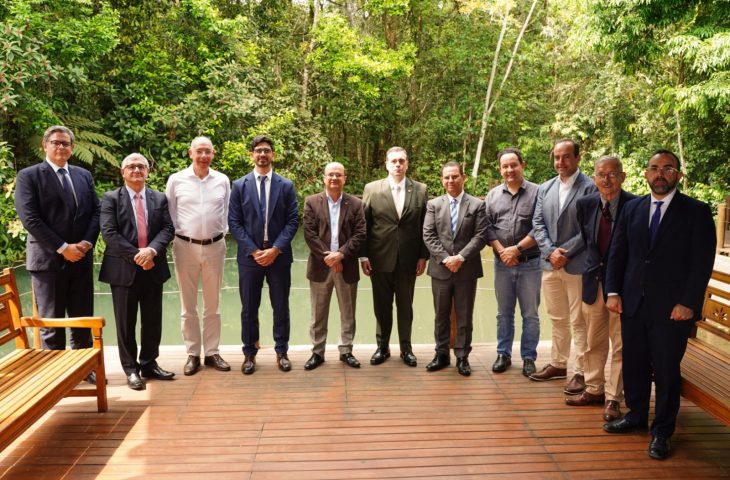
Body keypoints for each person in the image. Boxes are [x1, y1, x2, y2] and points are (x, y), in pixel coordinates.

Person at [603, 150, 715, 460]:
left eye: (668, 168)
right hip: (633, 303)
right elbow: (617, 253)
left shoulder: (696, 211)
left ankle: (662, 431)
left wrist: (688, 303)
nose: (660, 174)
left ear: (678, 174)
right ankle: (637, 415)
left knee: (666, 370)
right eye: (654, 168)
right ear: (646, 173)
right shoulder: (632, 208)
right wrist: (613, 292)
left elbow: (701, 263)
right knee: (634, 363)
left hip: (672, 309)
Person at [14, 126, 101, 383]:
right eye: (56, 142)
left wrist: (86, 243)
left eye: (66, 143)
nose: (61, 147)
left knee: (82, 319)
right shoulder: (29, 176)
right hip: (48, 261)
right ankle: (56, 377)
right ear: (45, 145)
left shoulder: (83, 175)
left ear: (72, 148)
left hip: (81, 259)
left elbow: (96, 212)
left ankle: (84, 369)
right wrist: (63, 248)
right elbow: (30, 218)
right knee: (51, 323)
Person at [566, 156, 636, 422]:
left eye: (612, 174)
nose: (606, 180)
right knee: (593, 341)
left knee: (620, 345)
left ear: (623, 176)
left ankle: (614, 398)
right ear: (594, 177)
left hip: (623, 289)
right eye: (601, 174)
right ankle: (594, 389)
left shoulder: (635, 206)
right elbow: (588, 242)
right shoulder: (585, 204)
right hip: (593, 283)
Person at [99, 153, 176, 390]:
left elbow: (168, 228)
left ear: (147, 171)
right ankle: (131, 369)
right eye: (131, 166)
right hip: (123, 270)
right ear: (122, 172)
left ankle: (149, 363)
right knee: (125, 323)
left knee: (152, 320)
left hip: (153, 267)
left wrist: (151, 251)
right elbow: (109, 233)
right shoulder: (111, 198)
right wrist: (138, 256)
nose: (136, 170)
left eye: (141, 166)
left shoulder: (159, 198)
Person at [228, 135, 298, 375]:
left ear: (273, 155)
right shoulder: (239, 186)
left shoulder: (286, 185)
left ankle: (282, 351)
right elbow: (234, 222)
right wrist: (255, 250)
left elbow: (292, 221)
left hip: (279, 256)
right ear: (252, 155)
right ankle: (249, 353)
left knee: (281, 307)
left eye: (267, 150)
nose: (262, 154)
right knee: (249, 308)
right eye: (258, 150)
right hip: (250, 258)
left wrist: (275, 249)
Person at [530, 139, 596, 394]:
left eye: (566, 156)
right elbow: (537, 223)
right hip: (549, 265)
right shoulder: (545, 188)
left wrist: (564, 253)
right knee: (557, 318)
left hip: (576, 264)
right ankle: (558, 363)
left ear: (578, 158)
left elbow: (590, 228)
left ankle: (580, 371)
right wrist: (550, 252)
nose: (561, 162)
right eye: (557, 157)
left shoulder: (590, 187)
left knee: (579, 321)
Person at [166, 137, 231, 376]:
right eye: (199, 151)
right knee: (188, 304)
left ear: (213, 154)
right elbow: (170, 213)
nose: (204, 156)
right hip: (185, 246)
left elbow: (226, 212)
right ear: (190, 153)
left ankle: (212, 352)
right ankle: (193, 353)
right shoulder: (176, 180)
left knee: (213, 304)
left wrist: (220, 234)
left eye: (208, 152)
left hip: (215, 246)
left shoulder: (222, 180)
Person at [360, 146, 429, 367]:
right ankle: (382, 347)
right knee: (381, 306)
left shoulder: (420, 190)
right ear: (386, 164)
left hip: (409, 260)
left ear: (407, 163)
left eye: (401, 161)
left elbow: (425, 226)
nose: (398, 164)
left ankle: (406, 349)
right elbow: (364, 225)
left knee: (406, 307)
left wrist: (423, 256)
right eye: (394, 161)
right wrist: (363, 256)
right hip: (379, 259)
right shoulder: (372, 189)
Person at [422, 161, 488, 376]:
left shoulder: (477, 205)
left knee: (464, 315)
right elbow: (428, 235)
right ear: (442, 180)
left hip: (466, 269)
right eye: (446, 177)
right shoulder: (433, 205)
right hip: (440, 270)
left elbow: (481, 236)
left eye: (454, 176)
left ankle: (462, 356)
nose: (450, 181)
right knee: (440, 314)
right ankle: (441, 354)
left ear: (463, 177)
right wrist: (445, 259)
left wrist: (460, 257)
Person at [302, 162, 367, 370]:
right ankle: (317, 352)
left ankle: (346, 350)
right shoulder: (312, 202)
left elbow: (360, 234)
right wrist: (329, 257)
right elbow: (309, 234)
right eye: (331, 174)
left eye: (339, 175)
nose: (334, 178)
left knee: (348, 313)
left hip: (346, 266)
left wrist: (341, 255)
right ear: (324, 178)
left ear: (344, 178)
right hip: (320, 266)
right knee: (318, 313)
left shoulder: (356, 204)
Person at [485, 148, 541, 377]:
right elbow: (487, 228)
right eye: (505, 166)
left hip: (530, 263)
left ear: (522, 165)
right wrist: (503, 252)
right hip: (502, 264)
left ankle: (528, 357)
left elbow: (540, 227)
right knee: (503, 313)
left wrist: (516, 250)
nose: (509, 170)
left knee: (530, 314)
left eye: (513, 165)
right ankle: (503, 354)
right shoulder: (492, 196)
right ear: (500, 169)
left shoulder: (538, 192)